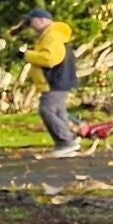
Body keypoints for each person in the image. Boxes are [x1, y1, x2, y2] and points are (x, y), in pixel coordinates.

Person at [20, 15, 80, 154]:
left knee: (46, 109)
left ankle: (66, 142)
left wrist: (27, 55)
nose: (30, 26)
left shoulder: (52, 36)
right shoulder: (53, 35)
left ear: (41, 20)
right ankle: (69, 141)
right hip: (60, 81)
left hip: (54, 81)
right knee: (59, 112)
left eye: (31, 22)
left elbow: (50, 59)